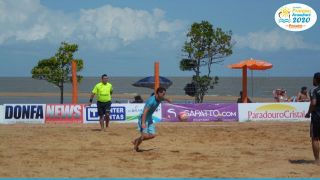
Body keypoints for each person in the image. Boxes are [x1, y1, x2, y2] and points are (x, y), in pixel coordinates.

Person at [132, 87, 171, 152]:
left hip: (149, 117)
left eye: (164, 94)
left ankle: (135, 141)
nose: (164, 95)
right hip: (143, 117)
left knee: (152, 135)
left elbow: (163, 98)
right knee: (143, 136)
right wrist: (143, 123)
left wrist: (168, 100)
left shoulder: (160, 98)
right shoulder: (151, 101)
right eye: (163, 94)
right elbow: (145, 112)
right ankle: (135, 149)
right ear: (158, 93)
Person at [305, 72, 320, 165]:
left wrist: (308, 112)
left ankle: (317, 160)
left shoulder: (314, 90)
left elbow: (313, 103)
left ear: (315, 79)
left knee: (315, 138)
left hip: (317, 116)